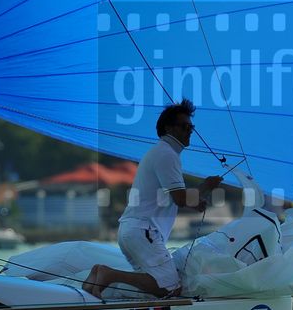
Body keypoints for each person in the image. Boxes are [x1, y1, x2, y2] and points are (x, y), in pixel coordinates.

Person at [83, 100, 221, 298]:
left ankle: (98, 282)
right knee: (171, 288)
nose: (189, 131)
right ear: (168, 128)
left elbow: (167, 197)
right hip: (143, 231)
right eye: (184, 126)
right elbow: (180, 198)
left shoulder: (160, 152)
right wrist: (206, 185)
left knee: (154, 284)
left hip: (133, 229)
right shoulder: (167, 154)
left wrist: (195, 201)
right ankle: (108, 274)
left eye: (191, 127)